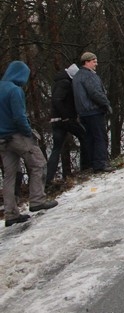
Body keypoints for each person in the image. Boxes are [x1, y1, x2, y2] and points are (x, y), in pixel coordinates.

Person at [0, 61, 59, 227]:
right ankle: (37, 200)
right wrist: (28, 132)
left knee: (10, 175)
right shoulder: (14, 90)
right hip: (17, 136)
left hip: (2, 140)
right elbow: (19, 116)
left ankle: (10, 214)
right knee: (39, 164)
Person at [46, 63, 89, 185]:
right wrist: (66, 116)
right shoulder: (65, 83)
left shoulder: (59, 82)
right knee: (85, 136)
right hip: (65, 120)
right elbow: (57, 100)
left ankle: (47, 179)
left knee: (56, 149)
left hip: (56, 120)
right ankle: (86, 166)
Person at [72, 52, 113, 173]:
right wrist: (106, 103)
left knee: (90, 139)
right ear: (87, 62)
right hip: (93, 111)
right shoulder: (88, 76)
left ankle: (93, 163)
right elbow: (95, 93)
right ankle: (101, 163)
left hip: (83, 113)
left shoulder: (77, 76)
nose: (96, 64)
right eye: (94, 61)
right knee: (100, 137)